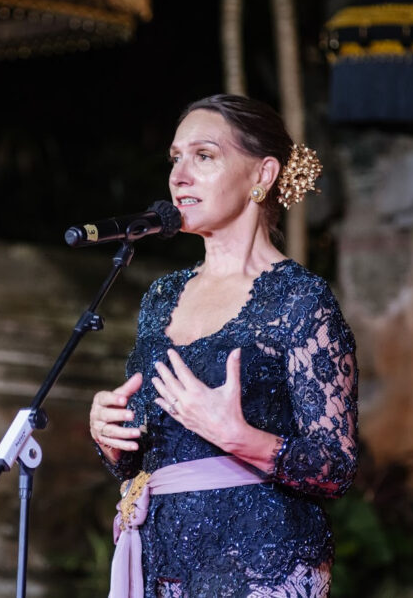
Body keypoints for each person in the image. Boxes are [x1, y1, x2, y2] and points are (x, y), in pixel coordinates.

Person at [88, 94, 358, 598]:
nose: (179, 176)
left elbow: (335, 469)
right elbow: (151, 448)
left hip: (260, 560)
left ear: (263, 174)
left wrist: (239, 437)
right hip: (161, 557)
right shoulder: (163, 296)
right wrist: (113, 438)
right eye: (176, 158)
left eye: (204, 156)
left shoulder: (300, 299)